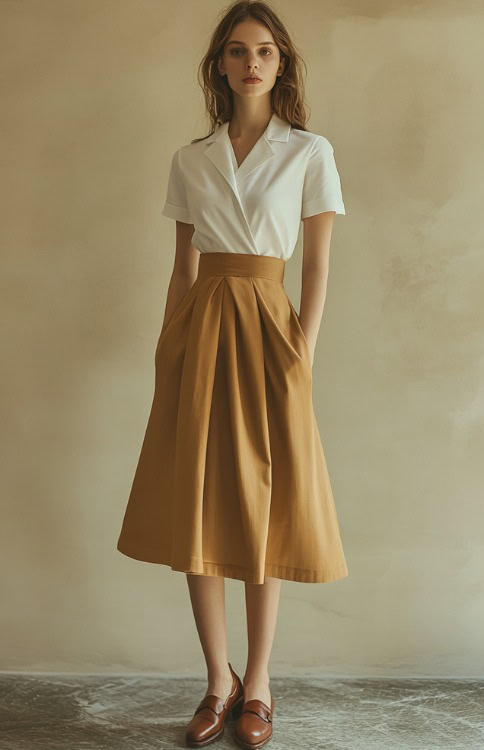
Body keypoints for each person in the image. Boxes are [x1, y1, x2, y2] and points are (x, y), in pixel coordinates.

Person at [116, 1, 348, 746]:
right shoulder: (192, 159)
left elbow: (314, 267)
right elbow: (181, 267)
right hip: (200, 333)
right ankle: (218, 680)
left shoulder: (310, 152)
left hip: (270, 331)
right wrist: (166, 349)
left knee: (263, 507)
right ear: (220, 63)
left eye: (267, 51)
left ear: (281, 65)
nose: (253, 62)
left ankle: (262, 682)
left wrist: (302, 353)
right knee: (199, 505)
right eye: (239, 50)